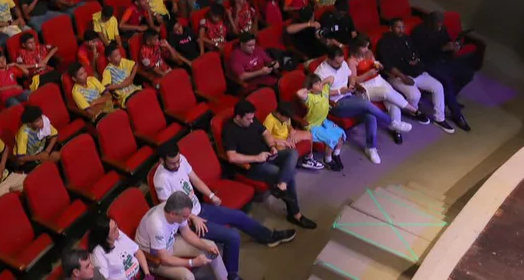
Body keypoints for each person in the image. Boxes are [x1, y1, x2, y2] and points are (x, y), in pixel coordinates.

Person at [153, 141, 297, 273]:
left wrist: (211, 196)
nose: (177, 165)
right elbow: (169, 208)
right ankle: (232, 276)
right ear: (161, 161)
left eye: (178, 161)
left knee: (239, 216)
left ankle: (269, 237)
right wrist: (193, 217)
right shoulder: (161, 179)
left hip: (199, 207)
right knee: (233, 237)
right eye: (172, 163)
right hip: (187, 221)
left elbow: (195, 180)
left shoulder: (181, 159)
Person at [220, 100, 317, 229]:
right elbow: (231, 157)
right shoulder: (229, 130)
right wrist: (256, 158)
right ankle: (295, 214)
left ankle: (281, 187)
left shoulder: (252, 121)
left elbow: (266, 133)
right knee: (286, 175)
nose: (252, 121)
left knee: (292, 153)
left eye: (253, 118)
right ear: (238, 117)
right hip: (253, 165)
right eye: (248, 119)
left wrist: (272, 146)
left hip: (267, 154)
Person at [377, 17, 462, 133]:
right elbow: (388, 65)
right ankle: (412, 111)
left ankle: (439, 118)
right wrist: (403, 77)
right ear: (390, 28)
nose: (401, 30)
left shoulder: (407, 38)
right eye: (398, 27)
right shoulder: (384, 43)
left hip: (416, 72)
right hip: (398, 76)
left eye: (402, 27)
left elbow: (415, 53)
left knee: (438, 86)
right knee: (415, 95)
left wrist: (416, 61)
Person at [313, 45, 392, 164]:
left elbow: (351, 77)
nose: (340, 65)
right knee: (366, 104)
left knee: (370, 115)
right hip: (335, 104)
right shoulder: (320, 72)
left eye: (341, 61)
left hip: (349, 97)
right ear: (329, 59)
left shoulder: (342, 63)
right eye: (337, 63)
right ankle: (391, 122)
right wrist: (340, 91)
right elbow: (318, 93)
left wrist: (352, 83)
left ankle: (370, 148)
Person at [135, 191, 229, 280]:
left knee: (211, 247)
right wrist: (192, 263)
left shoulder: (174, 209)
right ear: (173, 214)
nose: (188, 219)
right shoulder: (157, 225)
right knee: (187, 276)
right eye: (185, 217)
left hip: (170, 242)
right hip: (154, 258)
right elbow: (164, 258)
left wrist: (206, 247)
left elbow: (187, 233)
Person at [14, 105, 61, 169]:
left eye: (40, 119)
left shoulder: (44, 121)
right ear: (29, 124)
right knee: (43, 167)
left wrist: (46, 152)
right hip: (30, 157)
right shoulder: (24, 133)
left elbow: (55, 135)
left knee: (57, 156)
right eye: (37, 121)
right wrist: (39, 157)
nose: (41, 122)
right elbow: (20, 158)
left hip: (42, 150)